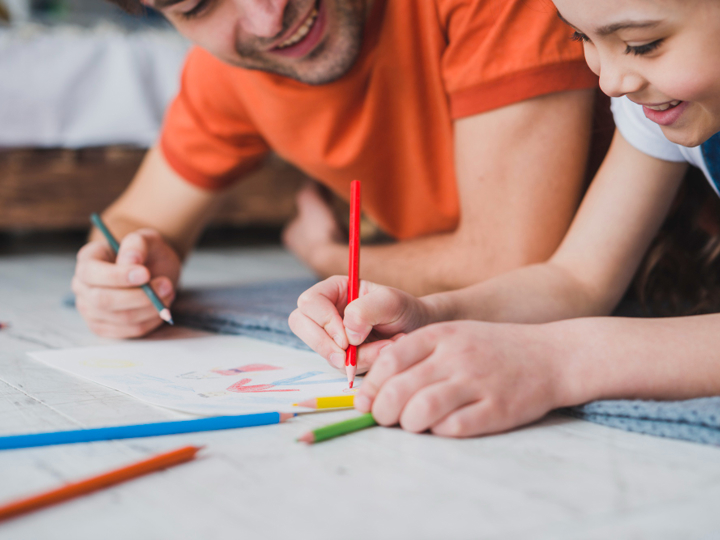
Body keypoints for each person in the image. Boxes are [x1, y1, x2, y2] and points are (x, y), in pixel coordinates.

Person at [289, 0, 720, 437]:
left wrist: (557, 360)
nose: (610, 83)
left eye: (642, 44)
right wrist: (431, 314)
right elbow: (578, 279)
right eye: (583, 38)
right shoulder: (652, 107)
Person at [72, 0, 598, 338]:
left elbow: (515, 263)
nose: (267, 17)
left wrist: (322, 255)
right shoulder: (223, 70)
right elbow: (136, 221)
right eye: (197, 5)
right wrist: (119, 270)